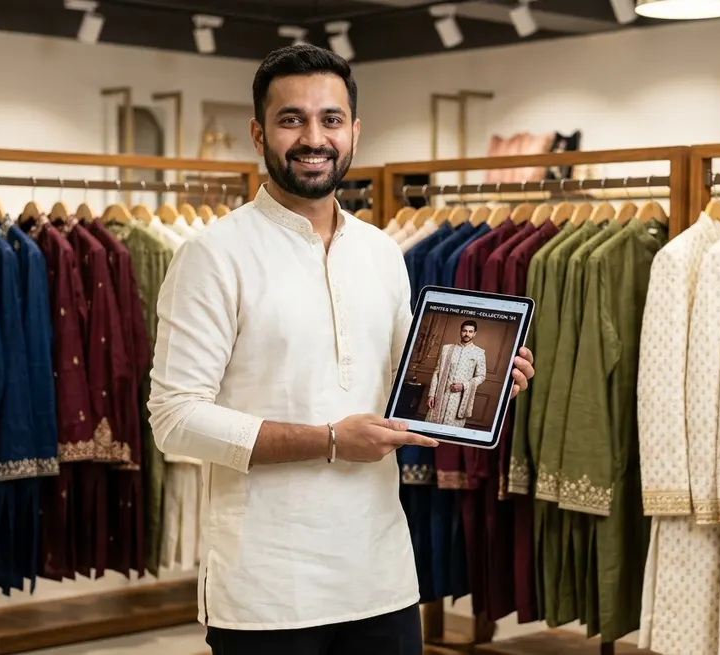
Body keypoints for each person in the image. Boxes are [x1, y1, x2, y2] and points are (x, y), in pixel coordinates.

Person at [146, 44, 535, 655]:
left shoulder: (382, 252)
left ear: (354, 131)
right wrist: (329, 440)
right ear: (258, 133)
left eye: (330, 119)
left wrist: (488, 381)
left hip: (381, 575)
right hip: (268, 591)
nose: (313, 137)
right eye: (290, 118)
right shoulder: (213, 255)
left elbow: (400, 387)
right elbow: (174, 420)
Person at [425, 320, 488, 428]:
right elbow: (437, 372)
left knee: (451, 431)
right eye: (464, 331)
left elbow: (481, 376)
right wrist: (431, 395)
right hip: (441, 395)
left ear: (474, 333)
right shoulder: (447, 349)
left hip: (460, 399)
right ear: (460, 331)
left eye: (470, 331)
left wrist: (464, 386)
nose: (467, 334)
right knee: (430, 429)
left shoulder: (479, 353)